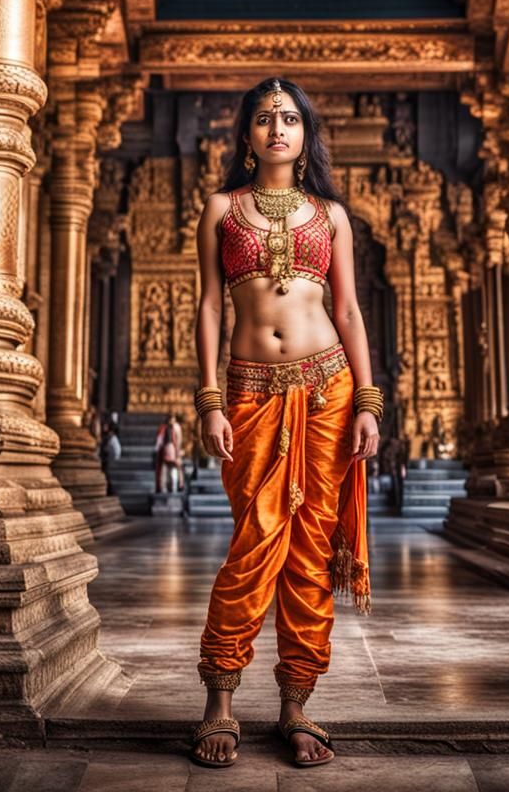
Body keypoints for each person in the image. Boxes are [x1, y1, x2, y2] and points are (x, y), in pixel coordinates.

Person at [189, 78, 381, 769]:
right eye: (265, 118)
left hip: (328, 386)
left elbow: (352, 312)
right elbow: (211, 307)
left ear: (305, 136)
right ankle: (220, 698)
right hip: (249, 390)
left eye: (290, 118)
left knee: (311, 549)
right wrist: (209, 400)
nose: (277, 128)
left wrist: (368, 401)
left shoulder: (330, 216)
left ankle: (297, 701)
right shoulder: (220, 209)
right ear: (246, 135)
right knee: (254, 540)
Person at [155, 412, 184, 494]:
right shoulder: (166, 428)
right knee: (169, 470)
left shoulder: (174, 427)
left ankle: (174, 486)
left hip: (172, 450)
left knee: (172, 470)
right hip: (170, 450)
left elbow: (178, 441)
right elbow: (160, 441)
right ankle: (171, 486)